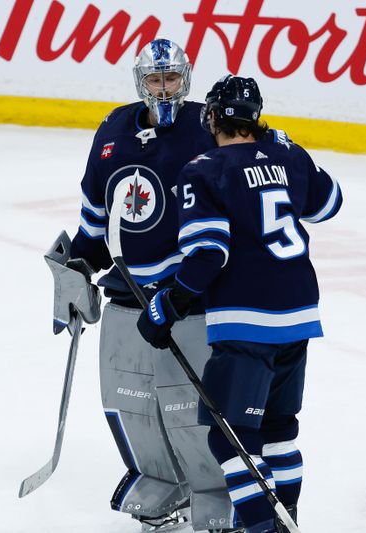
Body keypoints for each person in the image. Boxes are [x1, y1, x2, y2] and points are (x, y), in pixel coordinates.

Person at [136, 75, 343, 533]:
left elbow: (210, 253)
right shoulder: (287, 153)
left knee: (231, 440)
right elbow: (330, 203)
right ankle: (287, 523)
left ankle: (261, 528)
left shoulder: (205, 168)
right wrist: (287, 150)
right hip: (299, 315)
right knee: (280, 431)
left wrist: (167, 306)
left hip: (247, 323)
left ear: (213, 117)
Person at [65, 39, 246, 532]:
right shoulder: (113, 130)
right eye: (154, 80)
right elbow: (96, 219)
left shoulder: (207, 127)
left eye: (170, 79)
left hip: (187, 295)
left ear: (184, 79)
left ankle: (212, 492)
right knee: (130, 400)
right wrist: (74, 266)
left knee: (190, 407)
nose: (163, 89)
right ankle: (161, 483)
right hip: (127, 293)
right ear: (140, 82)